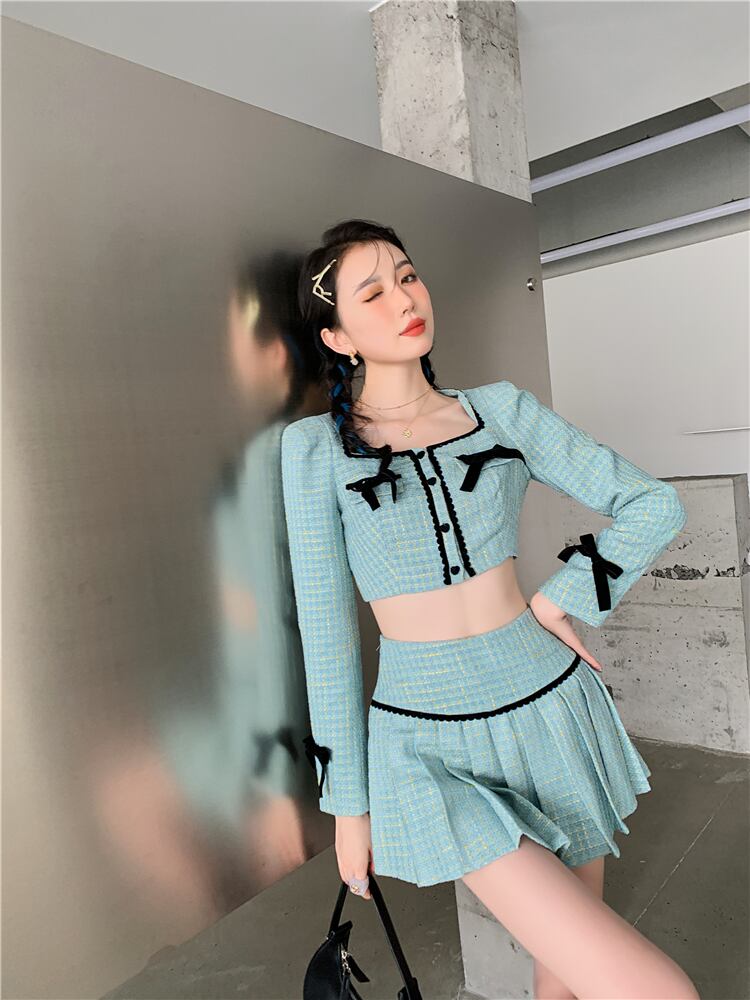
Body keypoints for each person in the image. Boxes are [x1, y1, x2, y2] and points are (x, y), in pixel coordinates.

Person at [281, 218, 699, 1000]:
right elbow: (327, 638)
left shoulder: (502, 411)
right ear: (338, 338)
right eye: (373, 292)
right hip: (425, 743)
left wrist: (565, 596)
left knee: (564, 978)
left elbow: (652, 503)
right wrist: (348, 809)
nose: (405, 298)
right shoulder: (315, 451)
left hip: (551, 706)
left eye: (408, 276)